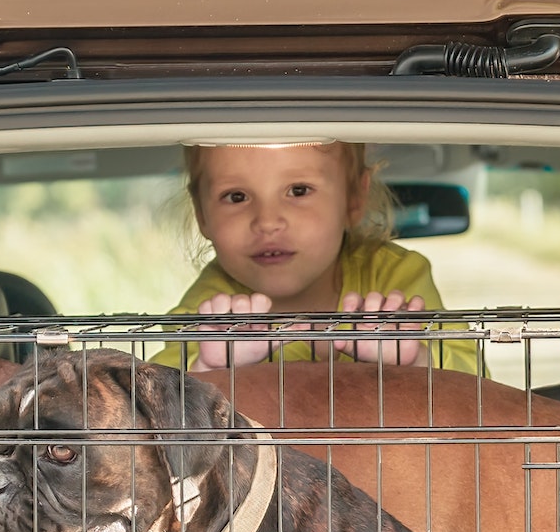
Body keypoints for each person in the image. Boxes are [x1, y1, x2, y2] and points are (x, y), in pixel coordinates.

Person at [152, 142, 479, 373]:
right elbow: (156, 409)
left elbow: (479, 386)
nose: (267, 221)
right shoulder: (209, 312)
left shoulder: (394, 275)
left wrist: (416, 359)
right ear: (202, 214)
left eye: (298, 191)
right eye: (236, 196)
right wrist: (207, 368)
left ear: (354, 198)